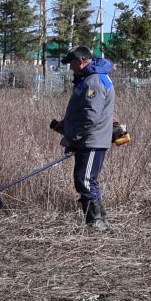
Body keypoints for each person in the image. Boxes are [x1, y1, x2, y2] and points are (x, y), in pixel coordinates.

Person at [50, 45, 115, 231]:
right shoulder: (91, 78)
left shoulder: (93, 81)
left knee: (84, 180)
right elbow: (85, 112)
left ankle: (96, 223)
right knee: (88, 180)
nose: (69, 67)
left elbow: (90, 117)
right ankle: (101, 222)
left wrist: (70, 137)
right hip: (88, 139)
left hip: (92, 140)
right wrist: (65, 125)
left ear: (80, 61)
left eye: (70, 62)